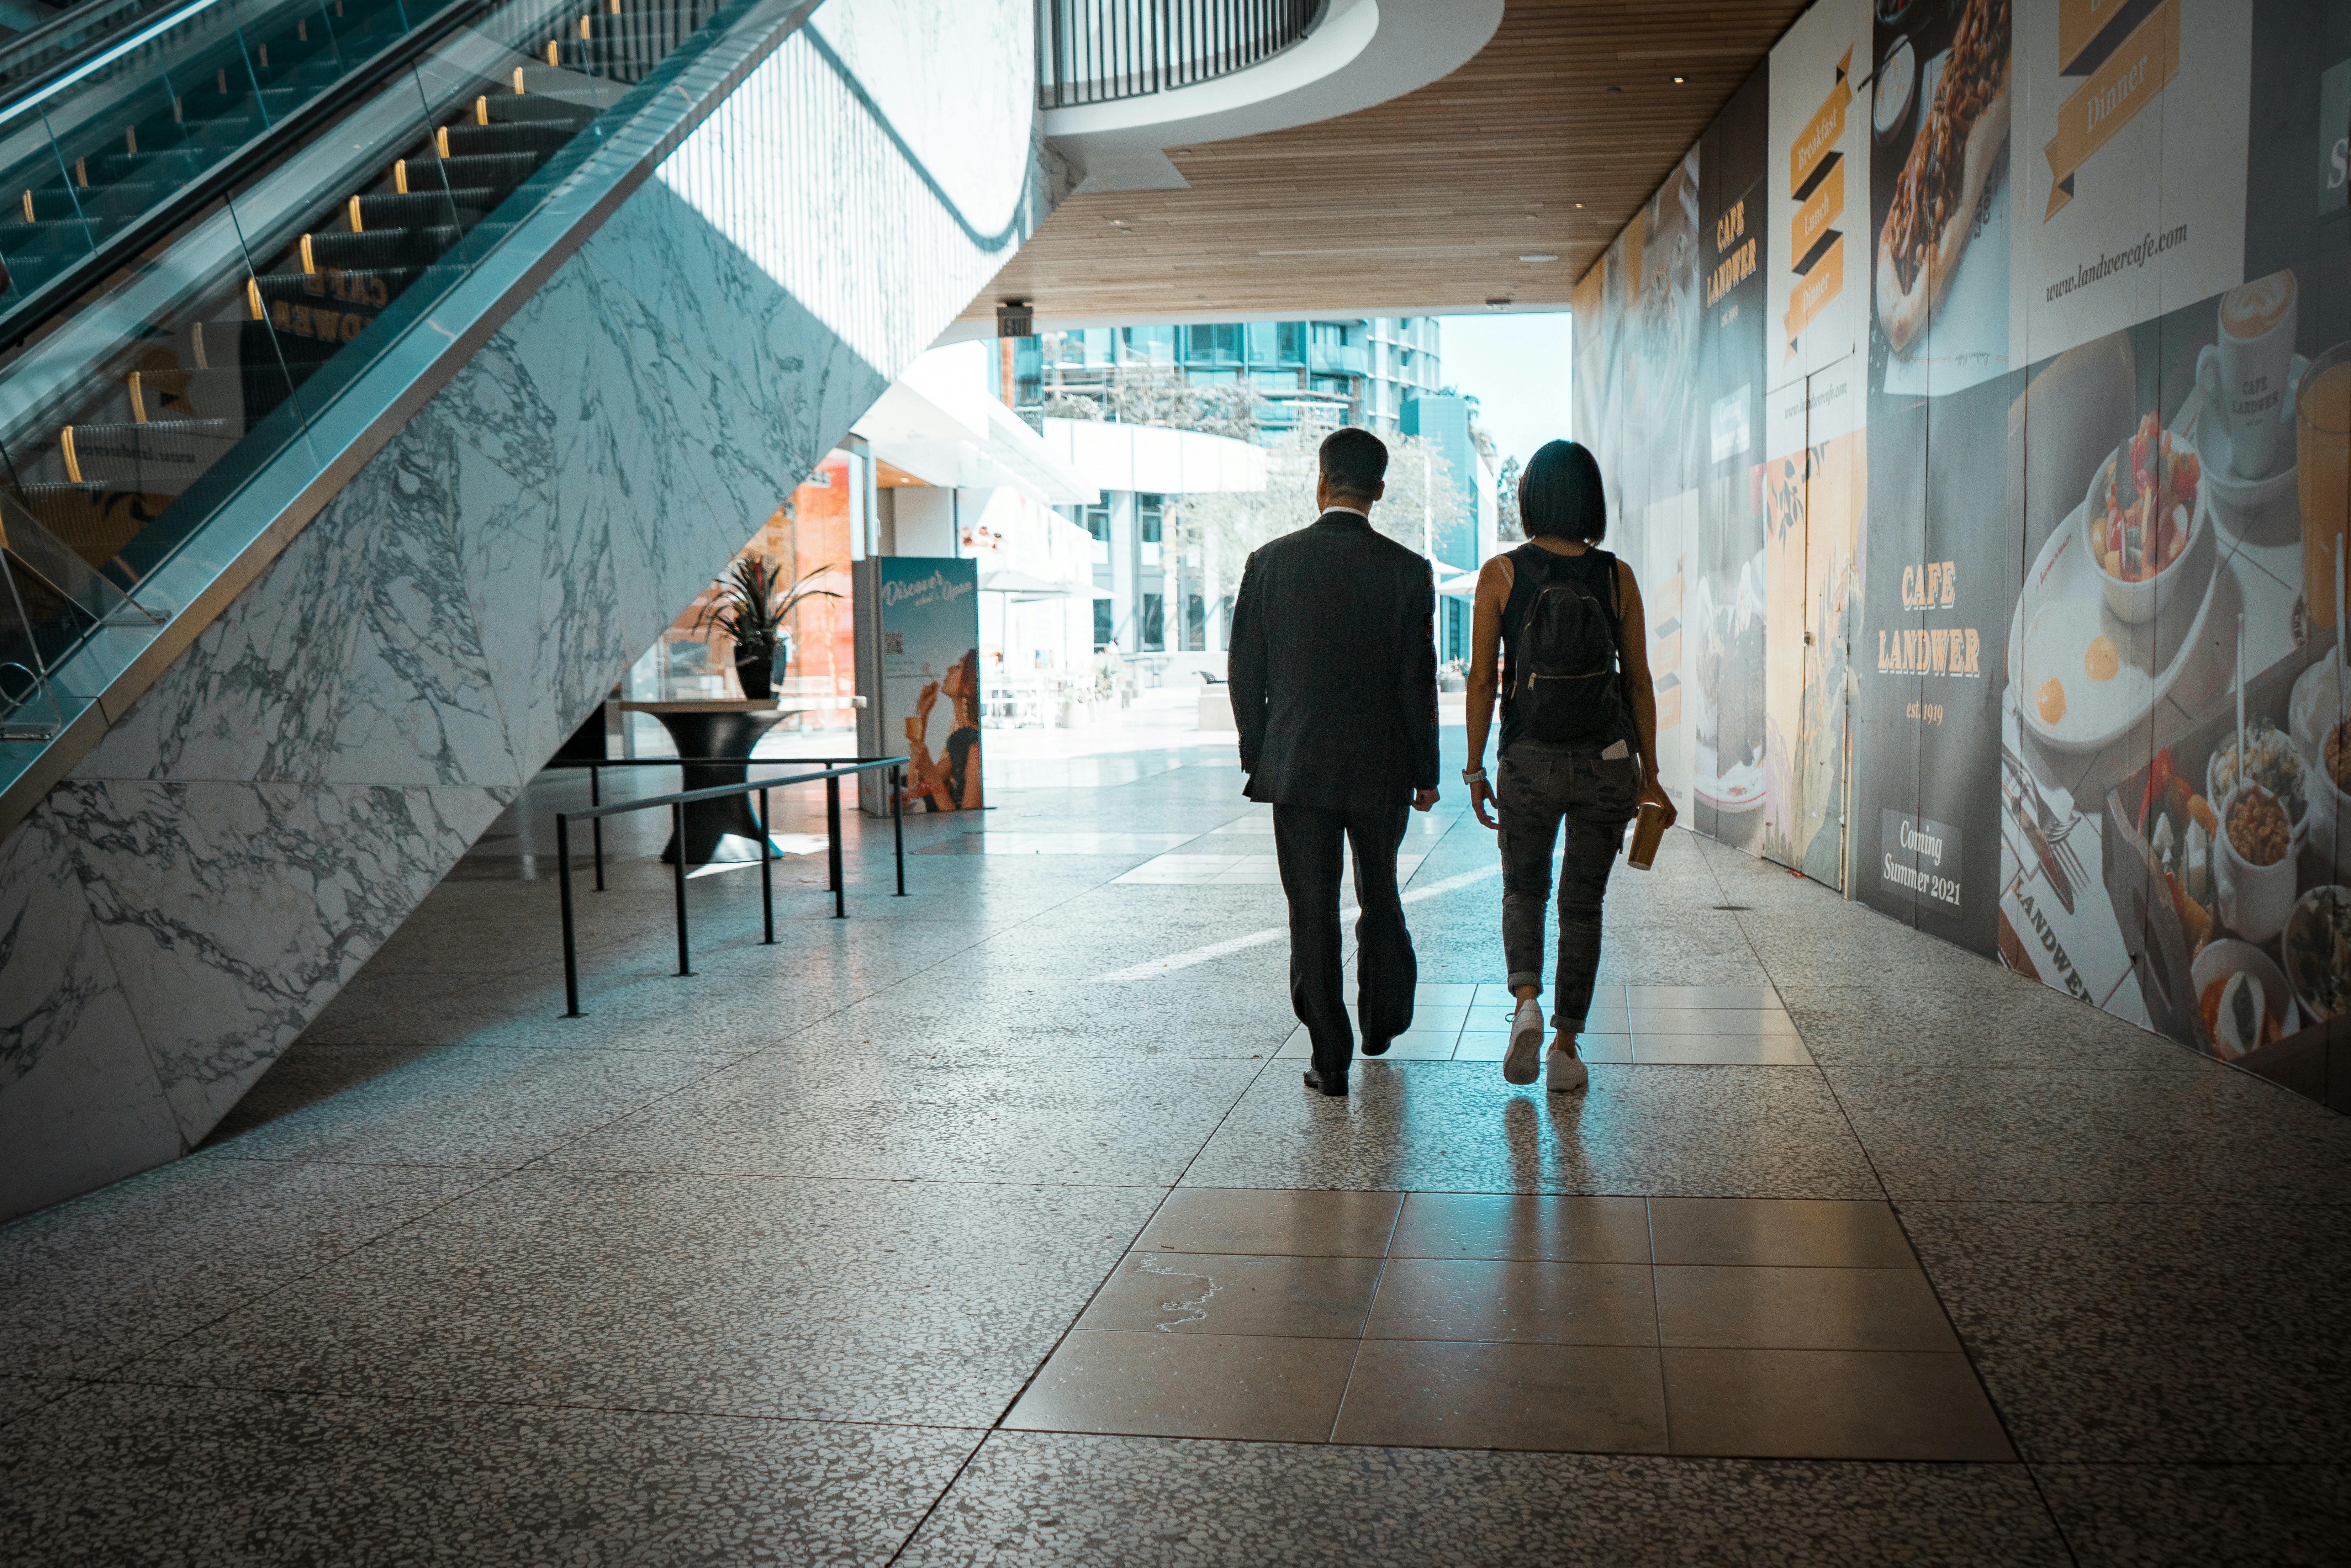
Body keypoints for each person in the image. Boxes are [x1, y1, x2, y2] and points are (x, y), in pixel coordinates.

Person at [1228, 427, 1440, 1097]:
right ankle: (1382, 1021)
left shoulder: (1270, 563)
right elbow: (1418, 680)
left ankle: (1330, 1057)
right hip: (1381, 766)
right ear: (1379, 490)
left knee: (1311, 908)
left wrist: (1260, 754)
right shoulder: (1409, 570)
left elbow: (1245, 672)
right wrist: (1426, 771)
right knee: (1381, 892)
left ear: (1320, 482)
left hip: (1297, 766)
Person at [1462, 439, 1672, 1094]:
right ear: (1591, 501)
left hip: (1527, 760)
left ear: (1529, 499)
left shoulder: (1501, 573)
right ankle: (1565, 1047)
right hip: (1607, 762)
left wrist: (1474, 768)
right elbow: (1639, 682)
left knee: (1524, 890)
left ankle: (1525, 1003)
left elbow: (1481, 682)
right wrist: (1651, 774)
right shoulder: (1616, 576)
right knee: (1583, 906)